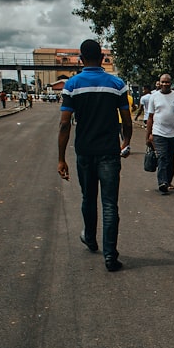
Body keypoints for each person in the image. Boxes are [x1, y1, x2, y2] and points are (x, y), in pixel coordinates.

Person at [57, 38, 132, 272]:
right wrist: (126, 141)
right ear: (102, 59)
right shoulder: (116, 84)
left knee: (88, 198)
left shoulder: (72, 85)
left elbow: (64, 124)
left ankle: (90, 238)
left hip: (85, 152)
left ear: (80, 59)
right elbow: (127, 120)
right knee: (110, 204)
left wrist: (61, 158)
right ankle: (110, 256)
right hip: (109, 152)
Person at [145, 74, 174, 195]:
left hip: (173, 133)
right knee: (162, 156)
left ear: (171, 83)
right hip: (158, 133)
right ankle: (162, 182)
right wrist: (148, 135)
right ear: (159, 83)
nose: (165, 84)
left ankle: (168, 181)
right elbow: (150, 117)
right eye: (163, 82)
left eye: (167, 82)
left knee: (170, 159)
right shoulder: (154, 97)